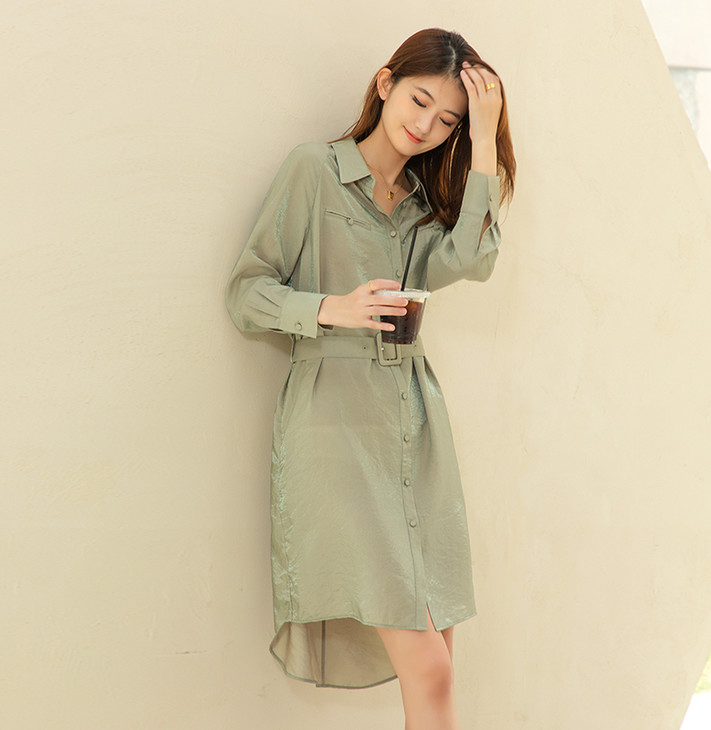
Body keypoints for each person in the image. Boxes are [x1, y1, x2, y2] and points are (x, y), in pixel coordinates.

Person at [226, 27, 515, 730]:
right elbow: (246, 292)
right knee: (429, 667)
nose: (426, 125)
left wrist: (483, 140)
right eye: (419, 101)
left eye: (447, 120)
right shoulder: (313, 171)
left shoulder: (421, 201)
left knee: (440, 661)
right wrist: (332, 307)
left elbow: (474, 259)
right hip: (334, 425)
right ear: (385, 84)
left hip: (414, 424)